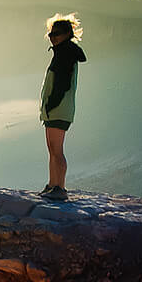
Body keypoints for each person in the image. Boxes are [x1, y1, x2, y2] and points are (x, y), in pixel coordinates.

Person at [37, 13, 86, 200]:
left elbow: (62, 84)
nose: (52, 37)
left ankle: (60, 188)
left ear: (67, 34)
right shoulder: (62, 52)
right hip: (54, 109)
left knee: (57, 149)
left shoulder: (65, 54)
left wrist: (51, 104)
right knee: (52, 148)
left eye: (56, 34)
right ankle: (52, 185)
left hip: (59, 109)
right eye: (51, 34)